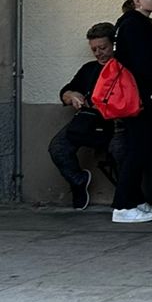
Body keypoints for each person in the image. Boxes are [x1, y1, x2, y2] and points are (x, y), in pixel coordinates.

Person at [110, 0, 152, 224]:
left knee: (141, 148)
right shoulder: (135, 25)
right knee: (136, 150)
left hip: (140, 95)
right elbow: (144, 64)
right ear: (137, 0)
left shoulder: (137, 24)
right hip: (139, 97)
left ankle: (134, 200)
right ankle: (123, 205)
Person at [49, 23, 116, 211]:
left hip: (115, 122)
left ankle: (126, 197)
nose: (99, 53)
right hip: (87, 119)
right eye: (94, 49)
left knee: (121, 150)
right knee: (58, 147)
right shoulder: (89, 69)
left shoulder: (123, 68)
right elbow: (66, 90)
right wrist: (71, 96)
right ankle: (78, 181)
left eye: (103, 48)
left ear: (114, 44)